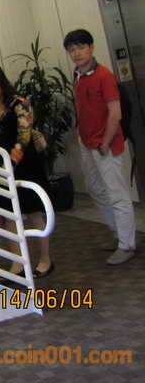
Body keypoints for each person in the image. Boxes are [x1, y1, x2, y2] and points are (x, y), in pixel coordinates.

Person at [64, 29, 136, 266]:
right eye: (72, 49)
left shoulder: (104, 75)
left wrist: (105, 141)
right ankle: (118, 234)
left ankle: (127, 245)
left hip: (106, 144)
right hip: (87, 143)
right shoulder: (77, 76)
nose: (76, 53)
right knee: (95, 189)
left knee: (117, 194)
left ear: (91, 48)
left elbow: (115, 113)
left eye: (81, 47)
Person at [0, 66, 53, 277]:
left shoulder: (19, 103)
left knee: (34, 213)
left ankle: (45, 259)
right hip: (4, 167)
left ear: (0, 82)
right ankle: (18, 263)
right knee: (10, 216)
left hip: (26, 165)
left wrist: (12, 161)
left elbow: (24, 135)